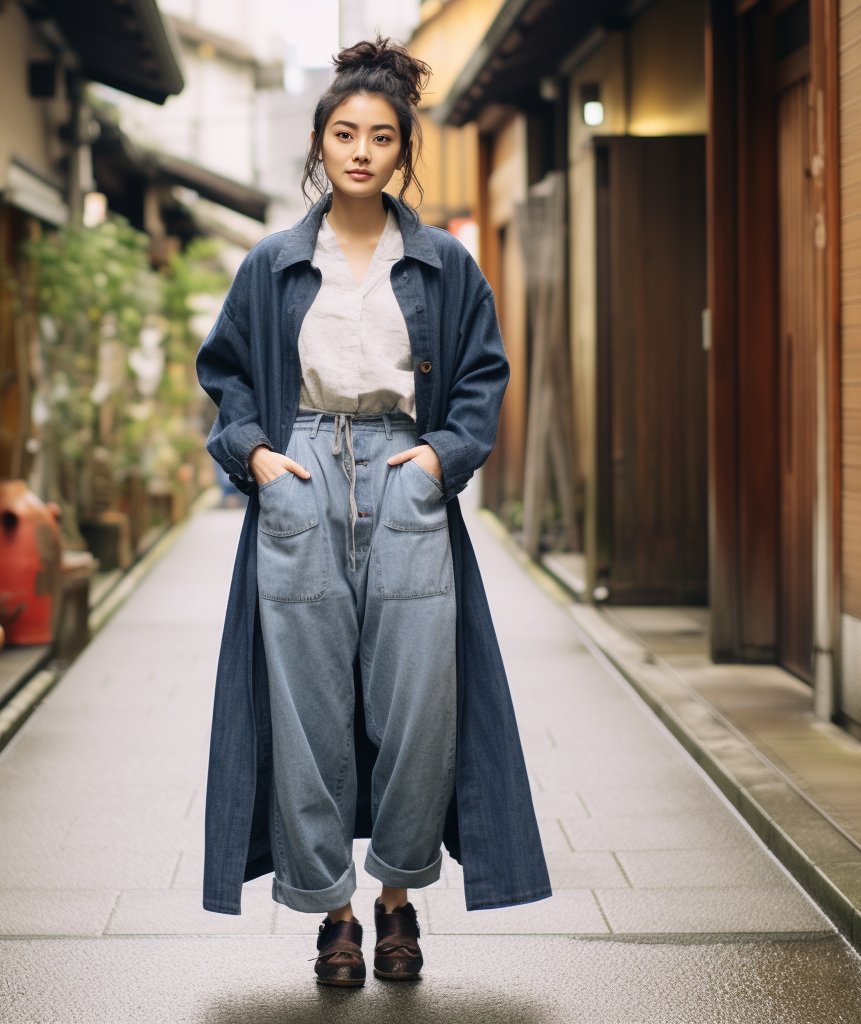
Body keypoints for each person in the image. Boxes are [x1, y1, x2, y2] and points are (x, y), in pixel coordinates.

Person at [196, 37, 550, 988]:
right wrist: (259, 457)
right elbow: (225, 373)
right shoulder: (273, 262)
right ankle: (336, 917)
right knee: (306, 709)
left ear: (403, 150)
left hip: (405, 471)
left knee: (419, 704)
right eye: (344, 132)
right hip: (302, 473)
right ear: (320, 142)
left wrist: (441, 457)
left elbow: (481, 374)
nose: (361, 150)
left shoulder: (443, 264)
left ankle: (397, 900)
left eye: (381, 136)